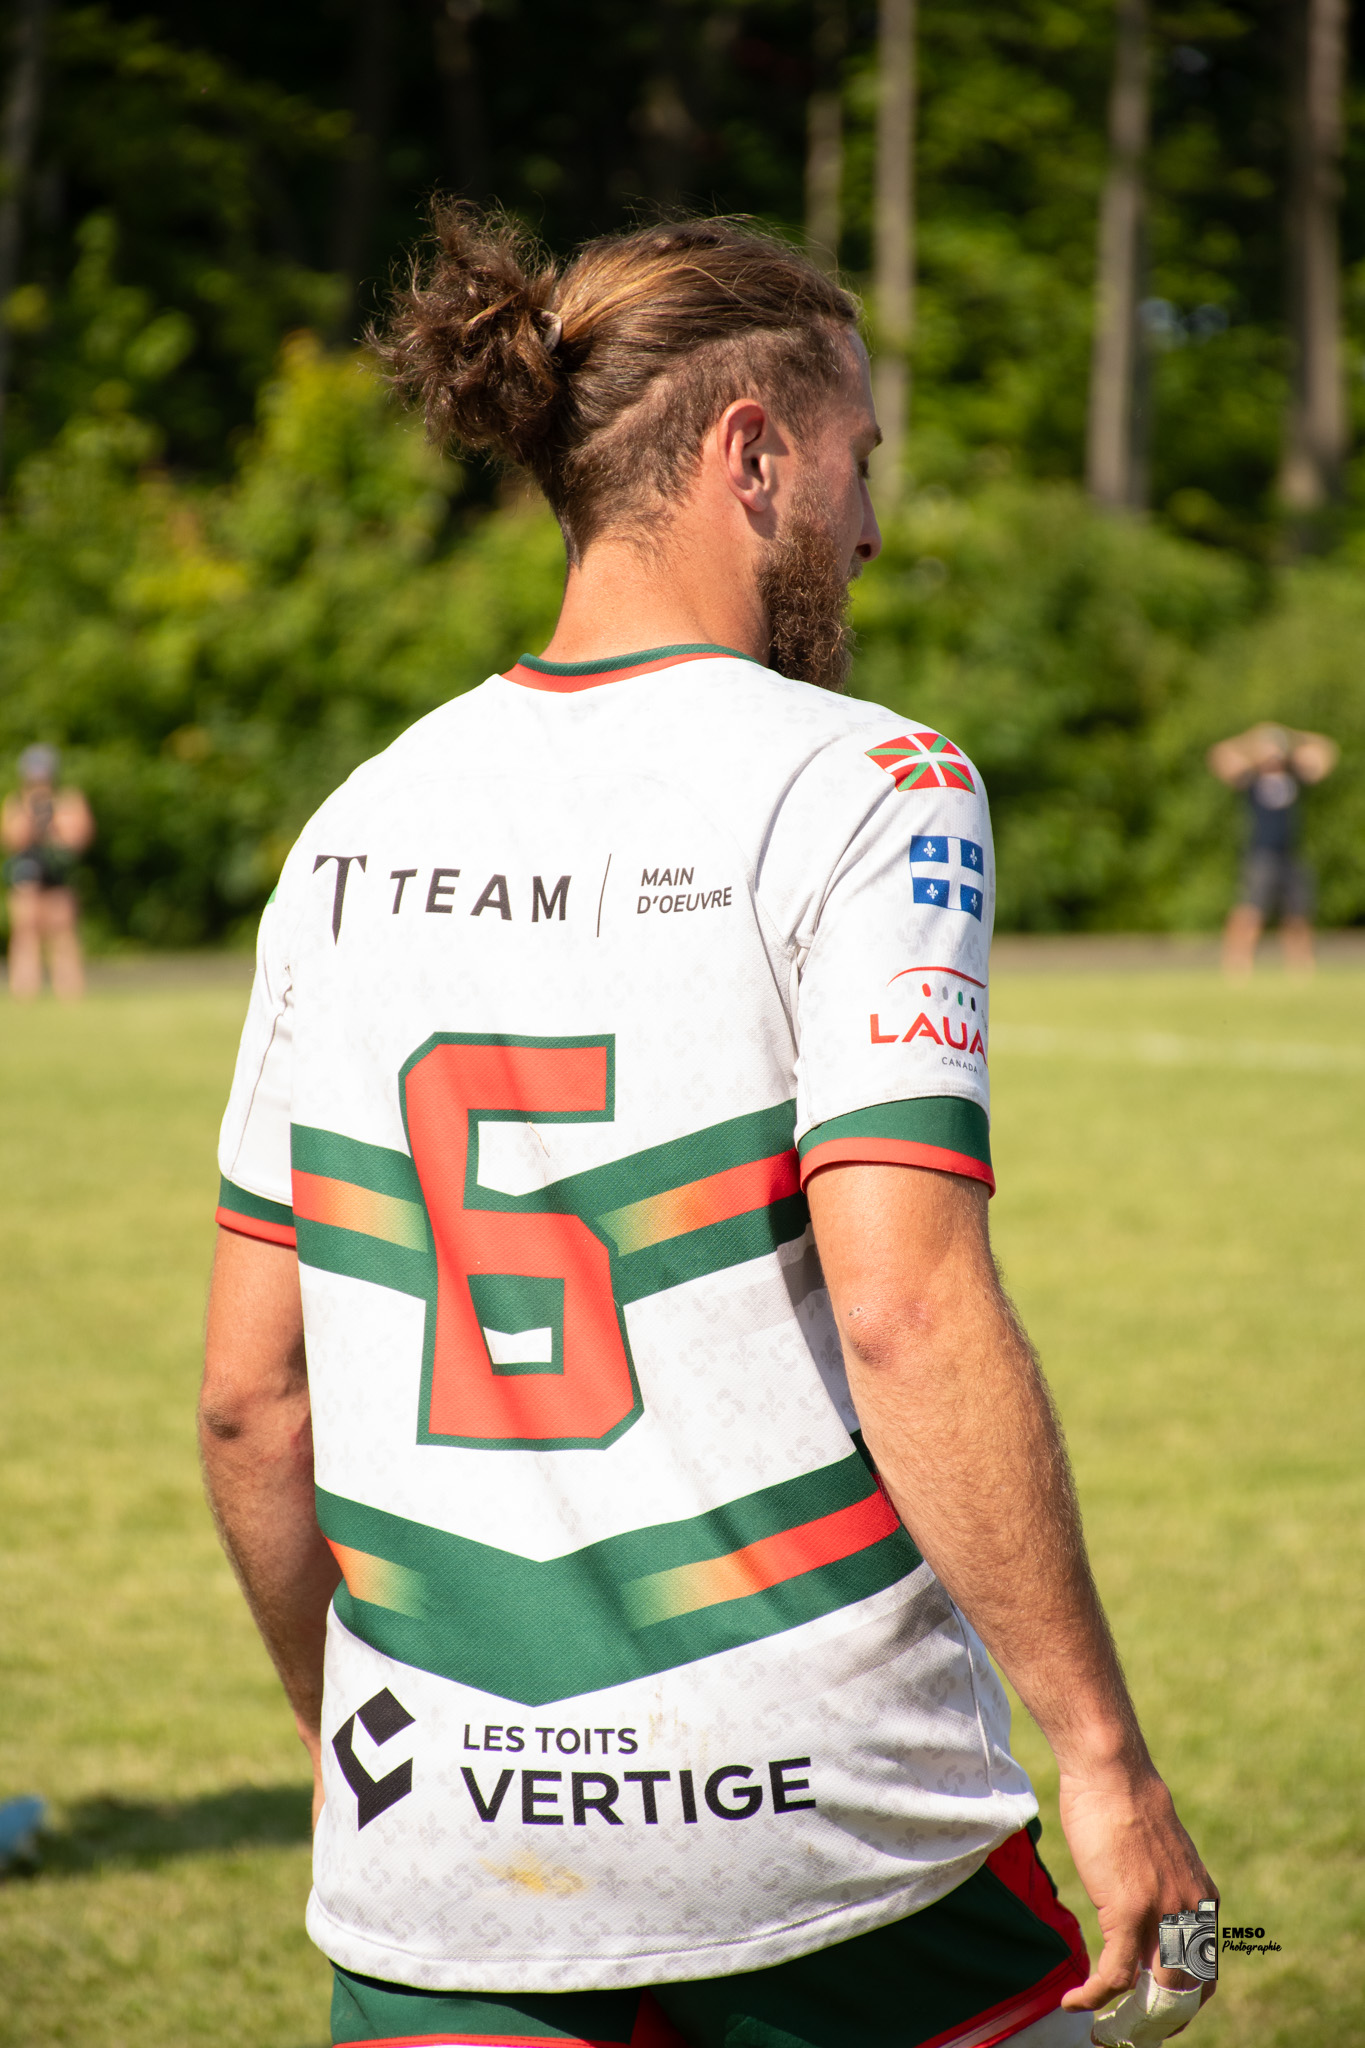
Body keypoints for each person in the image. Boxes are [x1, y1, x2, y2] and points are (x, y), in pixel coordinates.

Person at [200, 211, 1215, 2048]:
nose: (873, 526)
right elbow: (906, 1310)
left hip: (438, 1841)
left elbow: (250, 1402)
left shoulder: (351, 822)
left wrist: (364, 1753)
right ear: (753, 450)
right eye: (857, 463)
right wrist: (1104, 1752)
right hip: (819, 1815)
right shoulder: (870, 781)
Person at [1207, 721, 1338, 978]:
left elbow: (1328, 750)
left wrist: (1294, 736)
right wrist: (1251, 738)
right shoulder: (1251, 778)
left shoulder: (1295, 776)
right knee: (1251, 910)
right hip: (1261, 854)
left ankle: (1300, 966)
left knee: (1298, 912)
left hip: (1290, 854)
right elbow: (1217, 754)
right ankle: (1237, 963)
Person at [1, 745, 95, 1000]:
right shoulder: (16, 802)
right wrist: (32, 816)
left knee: (63, 932)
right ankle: (24, 992)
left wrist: (54, 821)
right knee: (24, 931)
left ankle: (70, 993)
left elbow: (79, 837)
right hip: (27, 873)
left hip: (57, 873)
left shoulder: (68, 800)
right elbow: (12, 839)